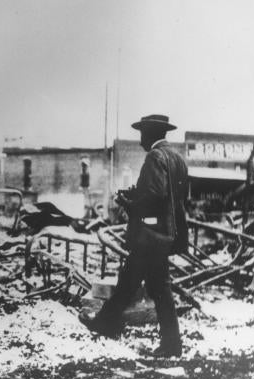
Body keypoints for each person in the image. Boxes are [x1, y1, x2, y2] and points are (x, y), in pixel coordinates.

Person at [80, 114, 189, 358]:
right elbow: (176, 198)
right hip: (166, 234)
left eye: (142, 133)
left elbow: (154, 196)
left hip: (150, 235)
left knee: (138, 283)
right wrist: (139, 195)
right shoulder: (178, 159)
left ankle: (109, 324)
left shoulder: (155, 156)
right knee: (143, 283)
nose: (140, 139)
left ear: (149, 133)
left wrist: (129, 203)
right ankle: (168, 342)